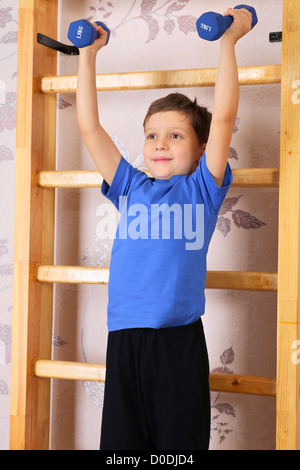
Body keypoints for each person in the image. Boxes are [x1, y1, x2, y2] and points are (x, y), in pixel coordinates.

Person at [76, 7, 253, 450]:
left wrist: (228, 44)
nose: (159, 143)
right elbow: (90, 128)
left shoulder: (202, 188)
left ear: (200, 150)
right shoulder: (129, 186)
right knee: (123, 447)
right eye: (152, 135)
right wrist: (86, 57)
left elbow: (226, 117)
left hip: (178, 339)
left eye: (175, 136)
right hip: (124, 337)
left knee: (178, 449)